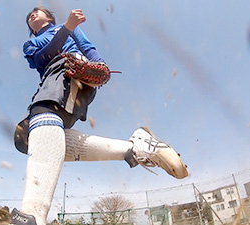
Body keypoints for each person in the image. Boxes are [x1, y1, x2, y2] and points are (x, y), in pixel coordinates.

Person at [11, 7, 188, 225]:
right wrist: (67, 27)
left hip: (71, 70)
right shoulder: (31, 43)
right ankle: (135, 148)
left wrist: (100, 66)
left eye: (37, 11)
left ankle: (32, 216)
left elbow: (87, 48)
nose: (32, 14)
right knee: (27, 138)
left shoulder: (64, 27)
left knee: (44, 113)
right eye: (29, 15)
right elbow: (41, 59)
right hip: (51, 78)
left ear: (49, 17)